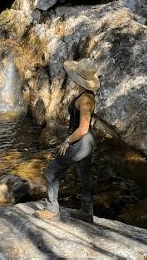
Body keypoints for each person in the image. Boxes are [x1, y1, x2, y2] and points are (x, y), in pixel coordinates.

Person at [35, 58, 99, 223]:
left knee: (51, 171)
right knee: (85, 175)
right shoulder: (87, 94)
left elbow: (83, 128)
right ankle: (86, 212)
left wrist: (67, 141)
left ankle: (52, 210)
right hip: (88, 140)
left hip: (81, 141)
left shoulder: (85, 100)